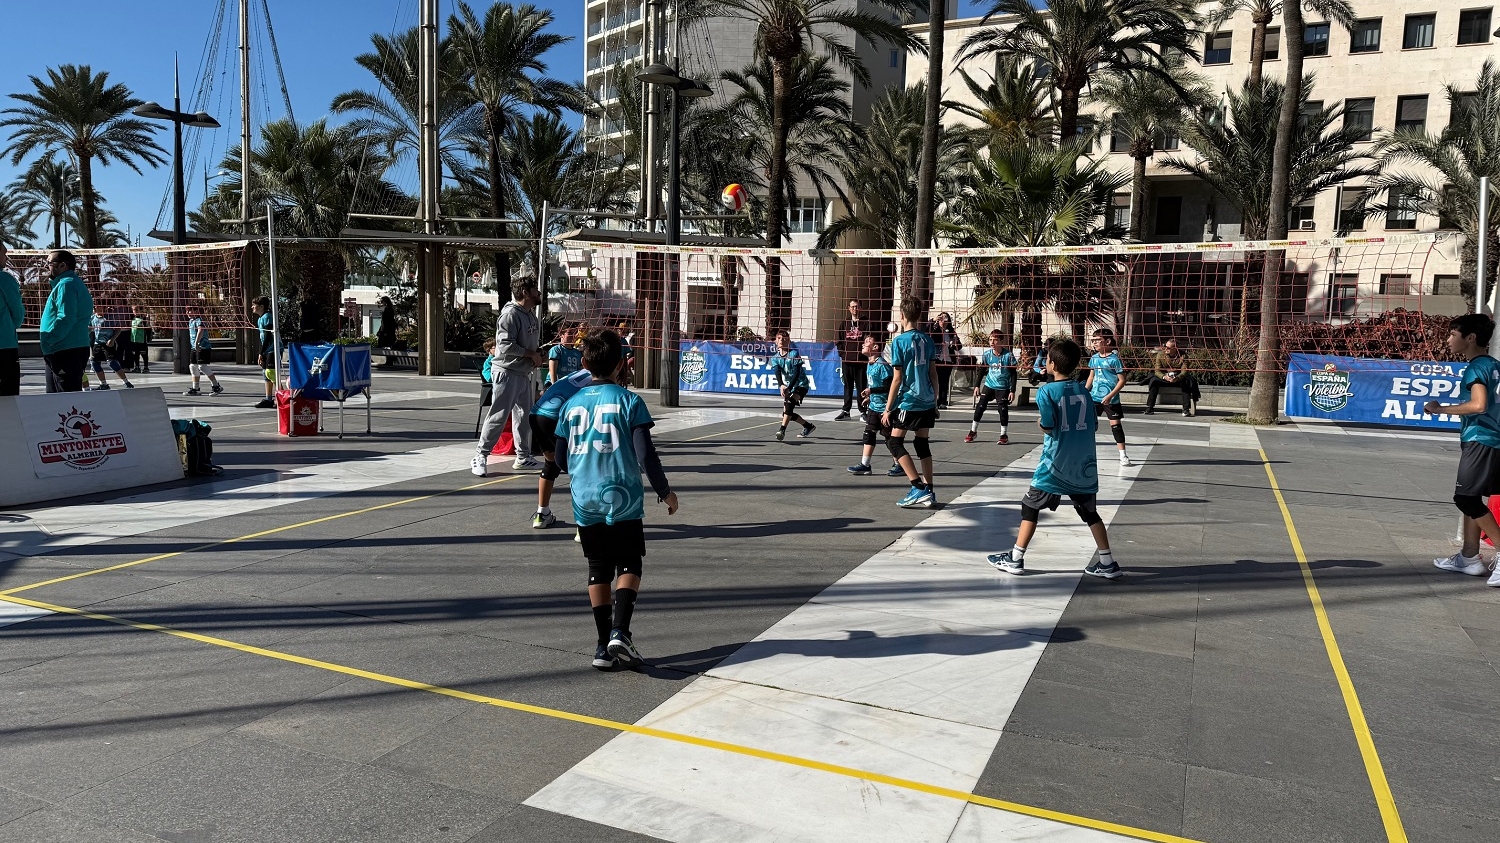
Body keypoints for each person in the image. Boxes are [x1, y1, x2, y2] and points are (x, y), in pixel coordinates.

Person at [553, 329, 679, 670]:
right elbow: (646, 455)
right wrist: (665, 491)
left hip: (584, 500)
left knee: (597, 568)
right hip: (623, 497)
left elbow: (560, 459)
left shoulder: (570, 405)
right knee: (629, 564)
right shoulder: (629, 401)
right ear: (622, 364)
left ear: (583, 364)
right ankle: (620, 631)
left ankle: (600, 645)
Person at [987, 339, 1122, 579]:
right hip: (1083, 465)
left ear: (1050, 363)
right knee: (1090, 513)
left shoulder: (1047, 391)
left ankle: (1015, 559)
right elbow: (1093, 427)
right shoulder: (1084, 390)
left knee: (1030, 506)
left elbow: (1049, 425)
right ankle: (1107, 561)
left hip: (1055, 464)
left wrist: (1040, 424)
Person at [1424, 314, 1500, 587]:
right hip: (1492, 439)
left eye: (1453, 333)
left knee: (1465, 499)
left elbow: (1479, 405)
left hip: (1481, 438)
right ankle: (1469, 556)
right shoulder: (1494, 365)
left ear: (1470, 338)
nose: (1448, 339)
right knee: (1473, 496)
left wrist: (1439, 409)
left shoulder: (1476, 368)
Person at [473, 278, 545, 475]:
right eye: (534, 289)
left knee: (523, 416)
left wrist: (536, 353)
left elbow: (526, 345)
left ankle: (523, 457)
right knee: (498, 414)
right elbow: (504, 346)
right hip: (506, 372)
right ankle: (480, 455)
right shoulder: (510, 314)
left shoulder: (530, 315)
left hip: (523, 373)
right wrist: (531, 354)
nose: (538, 292)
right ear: (524, 292)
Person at [884, 295, 939, 508]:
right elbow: (933, 374)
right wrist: (934, 401)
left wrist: (888, 409)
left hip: (910, 401)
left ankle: (917, 487)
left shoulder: (899, 341)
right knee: (921, 444)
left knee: (894, 442)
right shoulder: (927, 340)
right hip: (926, 400)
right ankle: (929, 491)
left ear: (902, 315)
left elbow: (897, 379)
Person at [530, 367, 599, 529]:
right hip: (557, 418)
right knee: (583, 467)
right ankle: (584, 524)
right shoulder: (598, 379)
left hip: (537, 415)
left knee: (551, 463)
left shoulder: (578, 373)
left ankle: (542, 514)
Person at [39, 250, 94, 393]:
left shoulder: (67, 284)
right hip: (62, 349)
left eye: (50, 263)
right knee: (56, 402)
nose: (46, 266)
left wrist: (51, 339)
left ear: (63, 265)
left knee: (66, 402)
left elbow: (66, 318)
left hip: (65, 350)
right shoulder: (67, 283)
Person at [848, 334, 900, 476]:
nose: (863, 344)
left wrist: (872, 391)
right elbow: (875, 385)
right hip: (874, 407)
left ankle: (898, 464)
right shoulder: (870, 364)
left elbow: (889, 387)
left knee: (889, 439)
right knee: (868, 434)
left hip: (887, 408)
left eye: (867, 342)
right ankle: (865, 465)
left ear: (875, 347)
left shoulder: (882, 365)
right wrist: (870, 397)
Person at [1086, 328, 1132, 467]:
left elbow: (1122, 380)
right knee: (1087, 425)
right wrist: (1084, 391)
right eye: (1093, 341)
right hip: (1094, 397)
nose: (1094, 343)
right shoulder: (1094, 358)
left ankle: (1123, 455)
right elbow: (1091, 376)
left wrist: (1110, 395)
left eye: (1097, 340)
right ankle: (1086, 453)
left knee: (1116, 426)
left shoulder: (1115, 359)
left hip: (1111, 399)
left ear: (1108, 341)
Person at [968, 330, 1017, 444]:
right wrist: (977, 386)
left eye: (995, 339)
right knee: (980, 406)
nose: (992, 342)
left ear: (1001, 341)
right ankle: (973, 431)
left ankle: (1003, 435)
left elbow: (1014, 374)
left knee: (1002, 409)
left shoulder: (1008, 356)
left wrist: (1012, 390)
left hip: (1003, 386)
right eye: (990, 339)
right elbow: (981, 371)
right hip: (989, 384)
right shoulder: (987, 355)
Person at [770, 329, 815, 440]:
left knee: (789, 404)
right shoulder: (775, 358)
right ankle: (808, 426)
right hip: (789, 386)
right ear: (775, 341)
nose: (781, 341)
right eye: (779, 338)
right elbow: (777, 373)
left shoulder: (794, 354)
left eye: (784, 339)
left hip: (801, 385)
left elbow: (796, 373)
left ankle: (782, 431)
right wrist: (781, 385)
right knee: (787, 413)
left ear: (788, 341)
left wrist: (788, 388)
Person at [1145, 338, 1199, 416]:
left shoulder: (1183, 355)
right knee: (1153, 381)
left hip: (1178, 377)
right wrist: (1164, 377)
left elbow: (1184, 371)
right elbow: (1157, 370)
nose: (1166, 348)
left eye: (1169, 347)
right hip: (1164, 377)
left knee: (1187, 382)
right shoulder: (1160, 354)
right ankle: (1149, 407)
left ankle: (1186, 409)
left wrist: (1177, 377)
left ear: (1175, 348)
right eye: (1165, 346)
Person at [835, 299, 869, 421]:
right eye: (852, 306)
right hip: (847, 360)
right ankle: (846, 411)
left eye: (857, 306)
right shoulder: (844, 324)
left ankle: (863, 411)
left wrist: (867, 356)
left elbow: (871, 340)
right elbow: (839, 341)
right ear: (849, 308)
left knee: (861, 387)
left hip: (861, 361)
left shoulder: (866, 323)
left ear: (861, 308)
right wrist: (843, 354)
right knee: (848, 386)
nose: (855, 309)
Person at [89, 304, 134, 389]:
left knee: (111, 363)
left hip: (108, 343)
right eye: (95, 307)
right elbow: (90, 328)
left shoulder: (110, 317)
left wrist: (112, 339)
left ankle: (126, 382)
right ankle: (103, 384)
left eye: (99, 307)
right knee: (95, 363)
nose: (96, 308)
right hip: (97, 343)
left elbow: (118, 329)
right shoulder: (92, 317)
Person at [183, 304, 223, 396]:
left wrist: (197, 342)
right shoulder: (191, 321)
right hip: (194, 348)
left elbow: (201, 330)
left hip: (203, 347)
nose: (188, 313)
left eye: (190, 310)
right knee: (193, 366)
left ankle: (216, 387)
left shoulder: (199, 320)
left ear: (196, 311)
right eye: (187, 311)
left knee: (202, 367)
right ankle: (195, 388)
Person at [929, 311, 963, 409]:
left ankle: (943, 401)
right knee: (934, 380)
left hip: (948, 360)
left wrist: (955, 343)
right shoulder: (935, 330)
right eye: (941, 319)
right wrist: (933, 320)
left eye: (945, 319)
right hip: (937, 359)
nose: (943, 321)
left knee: (944, 382)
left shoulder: (951, 332)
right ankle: (933, 400)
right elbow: (926, 330)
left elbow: (959, 347)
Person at [0, 242, 21, 396]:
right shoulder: (4, 279)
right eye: (4, 253)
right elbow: (17, 313)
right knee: (9, 399)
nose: (6, 257)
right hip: (4, 348)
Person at [253, 296, 277, 408]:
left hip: (273, 348)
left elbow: (268, 337)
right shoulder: (260, 319)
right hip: (266, 349)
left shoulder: (268, 316)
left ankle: (283, 398)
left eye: (254, 305)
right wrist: (260, 353)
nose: (252, 307)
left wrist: (261, 353)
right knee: (265, 374)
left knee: (271, 373)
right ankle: (268, 399)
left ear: (261, 306)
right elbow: (262, 339)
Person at [129, 305, 152, 374]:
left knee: (144, 354)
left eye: (137, 310)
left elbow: (148, 327)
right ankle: (137, 367)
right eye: (134, 310)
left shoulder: (144, 318)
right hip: (133, 339)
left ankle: (146, 367)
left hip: (142, 340)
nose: (135, 311)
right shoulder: (131, 318)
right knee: (135, 354)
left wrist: (148, 337)